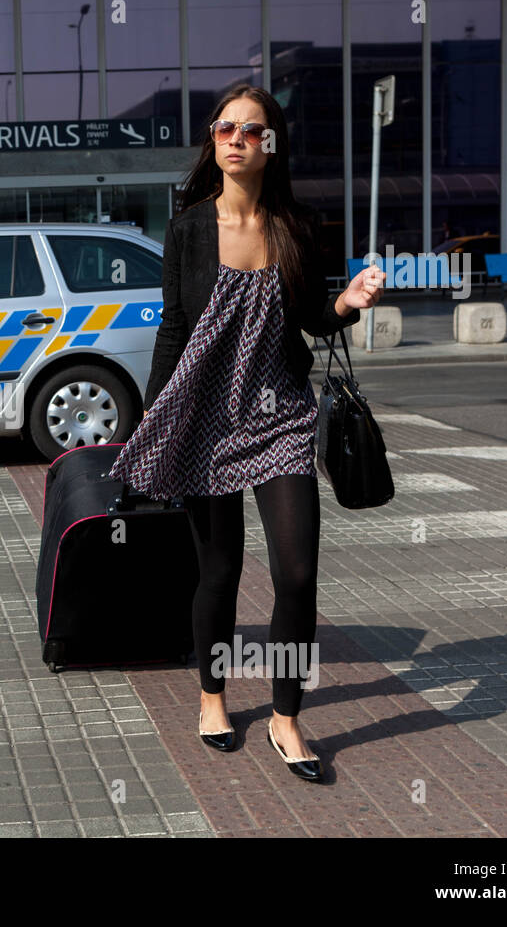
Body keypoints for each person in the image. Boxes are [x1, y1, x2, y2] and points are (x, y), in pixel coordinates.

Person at [107, 84, 384, 783]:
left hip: (280, 414)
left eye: (251, 130)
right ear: (213, 141)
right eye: (225, 127)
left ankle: (287, 717)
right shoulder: (189, 228)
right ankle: (212, 696)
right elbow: (174, 329)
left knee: (296, 572)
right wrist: (148, 425)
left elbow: (312, 320)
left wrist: (345, 305)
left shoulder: (295, 226)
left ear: (271, 146)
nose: (235, 138)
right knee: (220, 571)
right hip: (203, 419)